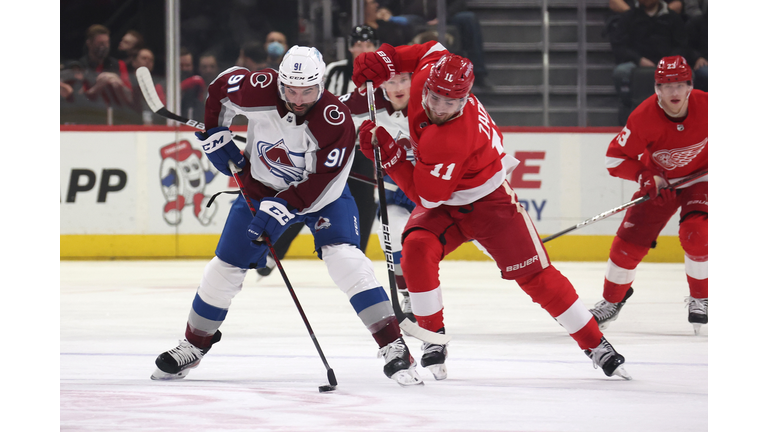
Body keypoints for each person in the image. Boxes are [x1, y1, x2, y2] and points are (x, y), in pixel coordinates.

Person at [350, 41, 632, 381]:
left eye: (451, 102)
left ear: (466, 98)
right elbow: (432, 48)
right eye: (435, 97)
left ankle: (595, 343)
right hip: (449, 200)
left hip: (489, 202)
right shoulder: (430, 75)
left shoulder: (452, 137)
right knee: (415, 249)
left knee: (536, 278)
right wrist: (387, 58)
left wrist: (391, 156)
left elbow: (425, 196)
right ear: (425, 85)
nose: (439, 107)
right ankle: (432, 339)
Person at [151, 45, 424, 386]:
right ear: (279, 81)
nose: (298, 98)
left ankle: (393, 345)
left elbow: (323, 182)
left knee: (346, 261)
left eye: (307, 90)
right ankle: (194, 344)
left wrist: (283, 207)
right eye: (291, 89)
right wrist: (216, 132)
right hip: (260, 190)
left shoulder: (334, 119)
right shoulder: (258, 87)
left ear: (320, 84)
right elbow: (220, 88)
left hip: (324, 199)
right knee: (223, 269)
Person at [588, 56, 707, 335]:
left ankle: (701, 298)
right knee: (627, 244)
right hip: (659, 184)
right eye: (667, 86)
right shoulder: (643, 117)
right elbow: (614, 160)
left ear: (690, 86)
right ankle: (611, 301)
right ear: (657, 89)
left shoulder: (709, 106)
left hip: (701, 179)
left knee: (696, 233)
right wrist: (646, 177)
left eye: (679, 84)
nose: (674, 92)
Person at [261, 25, 382, 279]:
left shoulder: (380, 77)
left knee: (363, 203)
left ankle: (356, 256)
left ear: (374, 47)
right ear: (350, 46)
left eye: (367, 44)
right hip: (327, 144)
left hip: (361, 150)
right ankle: (274, 254)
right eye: (357, 44)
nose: (361, 48)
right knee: (308, 194)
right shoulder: (333, 69)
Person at [382, 0, 493, 89]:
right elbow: (389, 4)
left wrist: (443, 17)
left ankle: (478, 73)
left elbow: (459, 3)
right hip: (414, 17)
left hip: (446, 17)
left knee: (468, 18)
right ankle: (402, 76)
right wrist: (385, 10)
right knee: (399, 22)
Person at [609, 0, 687, 124]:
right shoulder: (630, 16)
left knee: (689, 75)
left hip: (667, 63)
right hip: (637, 62)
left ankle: (679, 114)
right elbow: (620, 45)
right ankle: (628, 105)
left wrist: (668, 62)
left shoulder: (672, 17)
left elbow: (681, 45)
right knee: (621, 72)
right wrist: (638, 59)